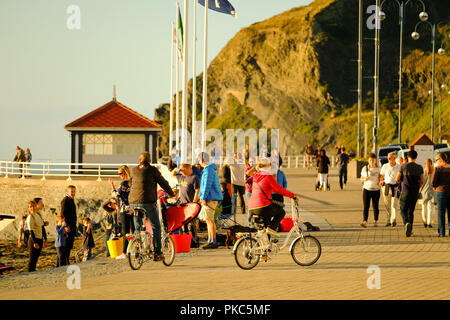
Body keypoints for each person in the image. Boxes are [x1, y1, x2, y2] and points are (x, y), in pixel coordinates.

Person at [129, 151, 175, 261]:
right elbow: (163, 182)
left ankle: (137, 247)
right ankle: (158, 253)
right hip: (147, 202)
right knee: (156, 227)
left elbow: (131, 184)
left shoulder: (134, 170)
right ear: (149, 161)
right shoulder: (153, 170)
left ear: (139, 160)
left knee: (138, 227)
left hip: (133, 202)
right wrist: (171, 193)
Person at [249, 157, 297, 234]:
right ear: (268, 166)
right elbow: (279, 189)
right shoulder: (268, 176)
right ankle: (272, 229)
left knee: (265, 227)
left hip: (251, 208)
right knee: (281, 212)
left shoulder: (256, 176)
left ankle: (267, 243)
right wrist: (292, 195)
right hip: (262, 207)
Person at [197, 152, 223, 249]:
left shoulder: (208, 170)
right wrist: (201, 196)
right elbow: (204, 186)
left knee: (209, 220)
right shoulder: (209, 170)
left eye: (199, 160)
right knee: (209, 220)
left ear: (202, 160)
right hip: (210, 197)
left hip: (210, 198)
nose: (199, 162)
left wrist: (203, 197)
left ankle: (212, 241)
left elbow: (206, 186)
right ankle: (211, 240)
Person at [395, 150, 424, 237]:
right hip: (414, 192)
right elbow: (422, 181)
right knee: (411, 211)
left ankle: (406, 223)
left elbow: (397, 179)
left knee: (403, 209)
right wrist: (418, 188)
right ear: (416, 157)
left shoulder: (403, 166)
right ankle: (410, 230)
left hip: (405, 191)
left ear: (407, 156)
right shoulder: (420, 167)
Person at [172, 163, 201, 247]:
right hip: (182, 204)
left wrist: (194, 202)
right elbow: (173, 174)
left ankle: (194, 240)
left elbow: (197, 190)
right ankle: (184, 239)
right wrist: (176, 169)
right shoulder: (181, 177)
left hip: (190, 204)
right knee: (182, 223)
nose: (181, 171)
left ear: (187, 169)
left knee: (191, 223)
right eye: (181, 170)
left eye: (182, 169)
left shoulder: (194, 177)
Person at [109, 165, 133, 260]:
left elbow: (116, 194)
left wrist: (112, 186)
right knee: (133, 230)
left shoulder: (123, 183)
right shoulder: (132, 182)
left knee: (125, 232)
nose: (119, 175)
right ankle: (133, 249)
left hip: (124, 209)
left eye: (120, 173)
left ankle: (124, 252)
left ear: (124, 173)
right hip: (132, 208)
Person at [431, 152, 450, 237]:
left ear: (441, 159)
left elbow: (433, 182)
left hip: (440, 192)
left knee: (441, 213)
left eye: (436, 160)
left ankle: (442, 233)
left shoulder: (438, 169)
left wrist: (434, 186)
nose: (436, 161)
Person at [360, 153, 381, 228]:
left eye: (372, 160)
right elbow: (361, 178)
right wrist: (364, 179)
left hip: (376, 189)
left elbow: (381, 178)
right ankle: (365, 221)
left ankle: (376, 221)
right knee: (366, 206)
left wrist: (381, 182)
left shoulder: (379, 169)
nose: (371, 162)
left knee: (375, 206)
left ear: (375, 160)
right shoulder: (365, 168)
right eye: (370, 160)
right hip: (366, 189)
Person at [379, 152, 400, 227]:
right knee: (387, 205)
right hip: (386, 186)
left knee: (394, 204)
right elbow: (381, 175)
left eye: (390, 158)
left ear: (394, 158)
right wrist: (381, 181)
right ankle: (388, 220)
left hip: (395, 186)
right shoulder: (385, 166)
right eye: (388, 158)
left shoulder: (398, 166)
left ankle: (393, 220)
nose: (389, 159)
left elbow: (400, 176)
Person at [60, 185, 77, 265]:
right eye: (72, 192)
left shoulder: (71, 199)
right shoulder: (66, 200)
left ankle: (67, 260)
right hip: (68, 226)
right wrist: (66, 226)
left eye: (74, 191)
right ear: (68, 192)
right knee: (66, 244)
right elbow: (62, 213)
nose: (73, 193)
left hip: (72, 225)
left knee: (70, 244)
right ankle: (65, 261)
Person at [26, 200, 44, 272]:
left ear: (35, 207)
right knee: (32, 258)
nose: (32, 208)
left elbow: (41, 227)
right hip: (34, 239)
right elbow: (31, 231)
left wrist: (45, 239)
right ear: (28, 208)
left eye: (33, 206)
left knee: (36, 257)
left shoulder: (38, 215)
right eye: (30, 207)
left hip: (40, 238)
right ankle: (30, 272)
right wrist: (34, 242)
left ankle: (33, 271)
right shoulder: (30, 217)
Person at [420, 158, 435, 228]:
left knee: (424, 207)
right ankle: (429, 222)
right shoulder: (434, 170)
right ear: (431, 163)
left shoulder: (423, 171)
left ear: (425, 164)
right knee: (431, 207)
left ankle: (424, 221)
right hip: (432, 191)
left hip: (424, 191)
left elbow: (421, 182)